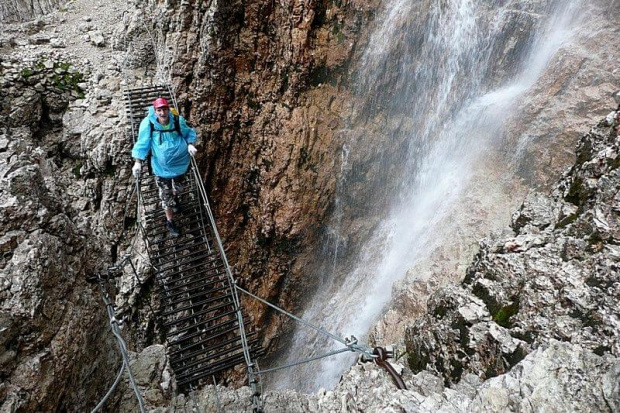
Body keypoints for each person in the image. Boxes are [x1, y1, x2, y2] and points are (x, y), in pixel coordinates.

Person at [131, 97, 197, 237]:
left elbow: (188, 133)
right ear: (155, 111)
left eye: (164, 109)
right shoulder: (149, 124)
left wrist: (190, 143)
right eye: (159, 110)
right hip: (161, 169)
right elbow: (143, 143)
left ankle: (176, 197)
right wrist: (138, 161)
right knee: (166, 196)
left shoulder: (177, 121)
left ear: (168, 109)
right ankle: (170, 221)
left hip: (180, 164)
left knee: (179, 188)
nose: (162, 113)